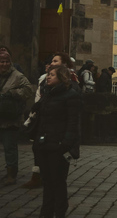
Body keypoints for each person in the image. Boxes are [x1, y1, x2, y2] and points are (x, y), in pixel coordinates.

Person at [30, 65, 80, 218]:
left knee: (58, 181)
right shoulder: (47, 93)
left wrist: (65, 144)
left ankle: (59, 211)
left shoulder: (70, 95)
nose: (48, 77)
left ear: (61, 77)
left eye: (52, 74)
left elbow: (73, 122)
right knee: (47, 181)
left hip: (58, 145)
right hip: (44, 144)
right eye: (48, 74)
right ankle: (46, 212)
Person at [0, 49, 34, 185]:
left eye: (7, 61)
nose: (4, 64)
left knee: (10, 148)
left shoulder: (17, 76)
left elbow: (28, 90)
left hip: (10, 119)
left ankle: (11, 175)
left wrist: (13, 93)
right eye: (2, 61)